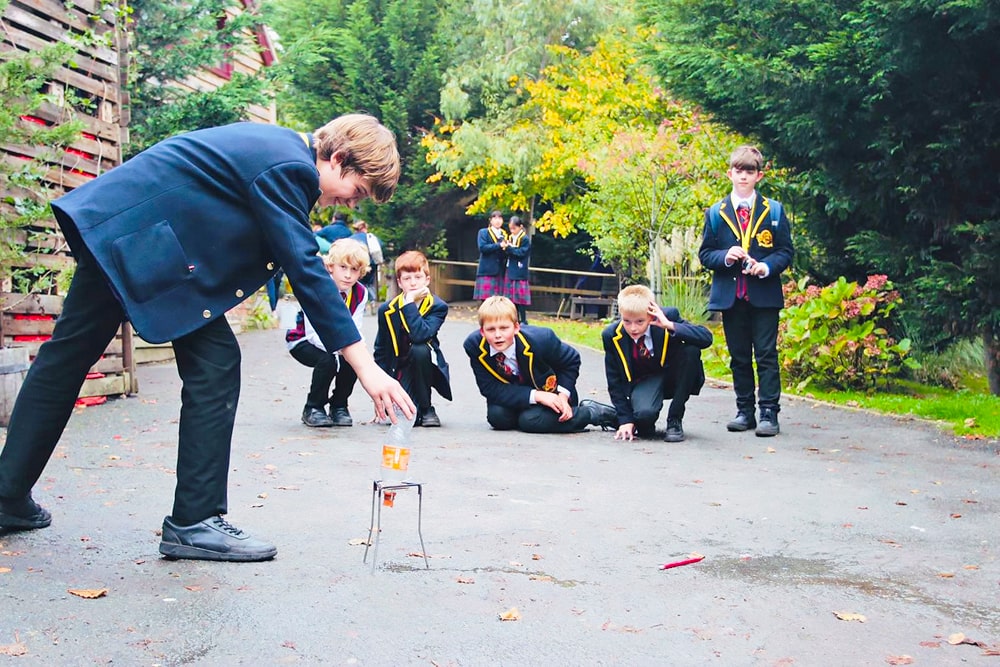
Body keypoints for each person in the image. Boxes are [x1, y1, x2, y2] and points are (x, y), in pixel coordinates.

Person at [0, 114, 415, 563]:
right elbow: (304, 265)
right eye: (356, 191)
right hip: (139, 243)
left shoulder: (277, 151)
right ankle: (194, 521)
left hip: (130, 236)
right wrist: (366, 367)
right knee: (214, 364)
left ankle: (6, 494)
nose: (351, 204)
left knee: (65, 361)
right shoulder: (290, 166)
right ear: (337, 159)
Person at [698, 145, 793, 437]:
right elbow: (705, 254)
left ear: (759, 176)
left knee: (766, 354)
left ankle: (769, 413)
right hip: (731, 297)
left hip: (763, 296)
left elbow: (785, 251)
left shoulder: (773, 211)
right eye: (738, 171)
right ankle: (744, 410)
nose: (743, 177)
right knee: (739, 356)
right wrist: (726, 257)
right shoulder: (716, 213)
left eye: (749, 172)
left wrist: (765, 267)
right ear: (730, 173)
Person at [463, 296, 616, 434]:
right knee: (498, 417)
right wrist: (537, 396)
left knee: (530, 421)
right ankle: (535, 418)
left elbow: (571, 360)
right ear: (482, 332)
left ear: (516, 327)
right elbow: (489, 388)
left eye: (504, 328)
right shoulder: (474, 346)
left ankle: (590, 412)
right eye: (491, 329)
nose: (497, 335)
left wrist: (563, 395)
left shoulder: (541, 339)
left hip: (552, 392)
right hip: (522, 394)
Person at [602, 285, 713, 443]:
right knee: (643, 420)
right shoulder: (611, 335)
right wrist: (626, 420)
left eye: (640, 321)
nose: (633, 328)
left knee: (691, 350)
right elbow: (614, 381)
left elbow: (706, 338)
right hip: (645, 380)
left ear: (651, 314)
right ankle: (616, 415)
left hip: (674, 376)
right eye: (627, 321)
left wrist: (670, 325)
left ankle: (675, 419)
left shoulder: (668, 316)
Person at [286, 239, 370, 428]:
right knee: (328, 361)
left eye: (354, 269)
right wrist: (342, 348)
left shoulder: (361, 293)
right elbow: (312, 331)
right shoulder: (318, 287)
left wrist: (356, 350)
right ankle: (313, 407)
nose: (348, 275)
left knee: (356, 358)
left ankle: (339, 405)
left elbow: (355, 326)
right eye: (343, 267)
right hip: (304, 339)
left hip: (337, 341)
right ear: (330, 267)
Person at [374, 250, 451, 427]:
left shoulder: (438, 307)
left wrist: (409, 302)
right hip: (399, 366)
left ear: (427, 280)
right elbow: (381, 350)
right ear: (400, 282)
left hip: (425, 363)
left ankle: (427, 407)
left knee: (420, 348)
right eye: (407, 279)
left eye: (418, 277)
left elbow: (419, 335)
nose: (413, 283)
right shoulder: (386, 310)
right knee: (407, 419)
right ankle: (413, 407)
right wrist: (380, 392)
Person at [472, 210, 508, 300]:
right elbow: (482, 248)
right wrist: (499, 245)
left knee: (499, 301)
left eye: (500, 218)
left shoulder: (504, 234)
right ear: (490, 220)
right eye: (495, 218)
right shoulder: (483, 232)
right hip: (487, 270)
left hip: (500, 271)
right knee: (486, 301)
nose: (497, 220)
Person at [503, 215, 531, 324]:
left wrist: (509, 248)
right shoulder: (510, 238)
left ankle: (523, 319)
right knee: (511, 298)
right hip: (510, 269)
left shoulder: (524, 239)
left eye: (514, 228)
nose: (512, 231)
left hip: (519, 271)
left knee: (520, 297)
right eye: (511, 228)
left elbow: (521, 253)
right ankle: (514, 318)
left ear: (520, 227)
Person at [350, 219, 383, 304]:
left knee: (358, 283)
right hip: (372, 263)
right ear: (364, 228)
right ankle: (373, 300)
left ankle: (361, 301)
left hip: (358, 264)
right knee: (369, 284)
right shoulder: (371, 238)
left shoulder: (351, 239)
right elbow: (381, 244)